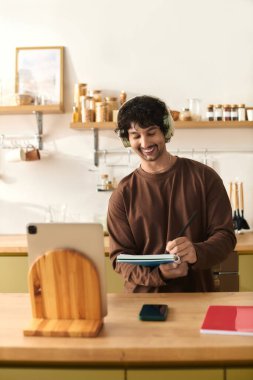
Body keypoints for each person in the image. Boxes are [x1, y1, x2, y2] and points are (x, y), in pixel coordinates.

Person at [107, 95, 236, 293]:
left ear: (165, 131)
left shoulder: (205, 178)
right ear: (127, 139)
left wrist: (196, 252)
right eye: (136, 136)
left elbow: (226, 237)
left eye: (151, 132)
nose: (145, 142)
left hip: (197, 298)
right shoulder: (122, 194)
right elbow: (119, 259)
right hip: (142, 301)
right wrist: (159, 275)